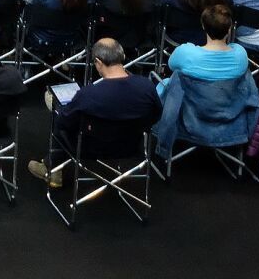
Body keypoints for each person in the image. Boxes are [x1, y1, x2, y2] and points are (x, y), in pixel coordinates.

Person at [29, 38, 162, 187]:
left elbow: (64, 123)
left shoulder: (89, 94)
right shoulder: (147, 87)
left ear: (98, 62)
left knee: (58, 113)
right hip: (132, 146)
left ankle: (52, 168)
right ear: (122, 57)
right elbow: (156, 115)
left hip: (90, 148)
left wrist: (55, 108)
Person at [164, 3, 249, 81]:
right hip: (227, 97)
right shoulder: (240, 54)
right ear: (230, 28)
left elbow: (171, 66)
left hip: (191, 97)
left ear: (203, 26)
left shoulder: (185, 53)